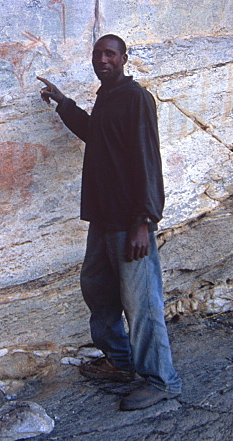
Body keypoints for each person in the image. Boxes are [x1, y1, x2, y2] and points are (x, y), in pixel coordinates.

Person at [38, 34, 182, 411]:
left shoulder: (136, 98)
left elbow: (148, 159)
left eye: (110, 54)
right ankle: (120, 361)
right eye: (97, 54)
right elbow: (95, 135)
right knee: (98, 290)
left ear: (123, 58)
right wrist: (64, 103)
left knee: (142, 303)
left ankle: (161, 380)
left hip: (130, 220)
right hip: (102, 217)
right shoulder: (106, 96)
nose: (102, 59)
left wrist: (144, 221)